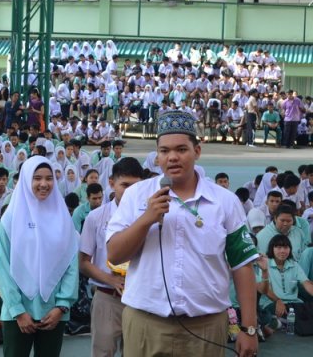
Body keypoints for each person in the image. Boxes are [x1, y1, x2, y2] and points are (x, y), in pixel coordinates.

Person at [106, 110, 259, 357]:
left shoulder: (225, 202)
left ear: (197, 151)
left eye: (181, 149)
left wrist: (249, 328)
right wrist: (146, 219)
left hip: (206, 327)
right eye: (164, 151)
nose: (172, 157)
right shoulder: (136, 196)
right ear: (157, 157)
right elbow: (114, 254)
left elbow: (242, 266)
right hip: (146, 324)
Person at [0, 156, 79, 357]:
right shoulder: (10, 220)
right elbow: (3, 268)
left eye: (49, 178)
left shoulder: (63, 219)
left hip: (54, 312)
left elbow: (71, 264)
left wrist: (62, 306)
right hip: (17, 313)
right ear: (26, 180)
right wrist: (17, 310)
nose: (44, 184)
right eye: (37, 178)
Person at [79, 157, 144, 357]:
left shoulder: (148, 217)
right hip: (108, 298)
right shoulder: (96, 217)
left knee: (136, 353)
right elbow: (83, 262)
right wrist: (111, 279)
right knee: (103, 351)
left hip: (141, 299)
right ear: (111, 183)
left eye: (136, 186)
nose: (130, 191)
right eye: (124, 185)